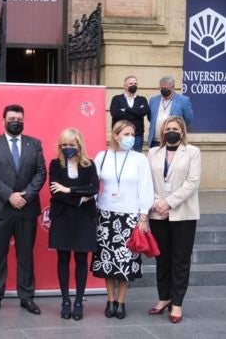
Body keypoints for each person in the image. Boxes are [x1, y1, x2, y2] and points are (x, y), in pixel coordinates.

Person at [0, 104, 47, 316]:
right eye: (12, 118)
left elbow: (41, 173)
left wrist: (26, 196)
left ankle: (27, 298)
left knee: (25, 255)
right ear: (4, 121)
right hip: (0, 208)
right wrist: (10, 195)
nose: (16, 121)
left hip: (26, 210)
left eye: (19, 118)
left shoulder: (34, 144)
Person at [91, 120, 154, 319]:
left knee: (125, 261)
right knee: (107, 260)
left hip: (130, 216)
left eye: (132, 134)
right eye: (126, 134)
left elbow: (146, 187)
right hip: (105, 214)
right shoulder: (102, 157)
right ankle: (110, 300)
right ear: (116, 135)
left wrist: (143, 216)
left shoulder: (139, 159)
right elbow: (93, 185)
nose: (130, 138)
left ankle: (121, 302)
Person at [147, 116, 201, 324]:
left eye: (175, 128)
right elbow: (146, 182)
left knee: (180, 260)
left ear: (182, 132)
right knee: (163, 259)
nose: (171, 131)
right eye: (168, 128)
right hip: (158, 213)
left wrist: (168, 202)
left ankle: (177, 303)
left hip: (183, 214)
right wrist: (158, 203)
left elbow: (192, 183)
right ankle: (163, 298)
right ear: (162, 132)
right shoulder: (152, 152)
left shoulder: (193, 152)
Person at [48, 128, 99, 321]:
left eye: (71, 144)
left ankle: (78, 301)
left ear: (79, 145)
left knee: (80, 260)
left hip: (84, 219)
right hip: (62, 218)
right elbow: (55, 193)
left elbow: (94, 188)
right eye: (64, 145)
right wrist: (79, 198)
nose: (68, 148)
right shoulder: (55, 164)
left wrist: (68, 189)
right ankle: (65, 301)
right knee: (62, 260)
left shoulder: (89, 164)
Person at [148, 76, 193, 147]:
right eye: (162, 88)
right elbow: (150, 117)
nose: (164, 90)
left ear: (173, 87)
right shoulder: (153, 100)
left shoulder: (183, 100)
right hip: (155, 141)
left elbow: (188, 120)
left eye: (166, 88)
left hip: (174, 140)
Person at [109, 75, 150, 152]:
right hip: (120, 135)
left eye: (135, 84)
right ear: (125, 86)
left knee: (136, 159)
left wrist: (126, 110)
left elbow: (143, 112)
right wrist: (136, 113)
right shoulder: (116, 99)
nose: (134, 85)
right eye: (131, 83)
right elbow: (115, 114)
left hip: (137, 136)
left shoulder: (142, 99)